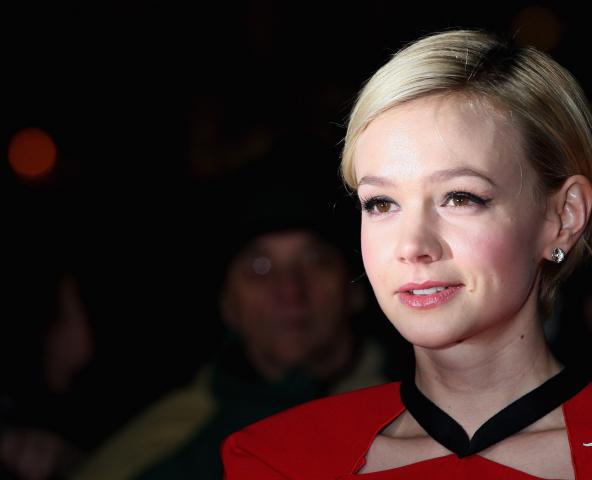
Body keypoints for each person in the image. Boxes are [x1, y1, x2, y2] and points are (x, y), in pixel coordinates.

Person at [221, 29, 592, 479]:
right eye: (381, 204)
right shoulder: (278, 459)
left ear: (563, 216)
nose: (412, 247)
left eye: (460, 198)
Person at [69, 133, 398, 480]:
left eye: (315, 260)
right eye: (259, 267)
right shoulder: (164, 448)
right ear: (228, 303)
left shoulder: (417, 415)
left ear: (356, 287)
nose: (289, 289)